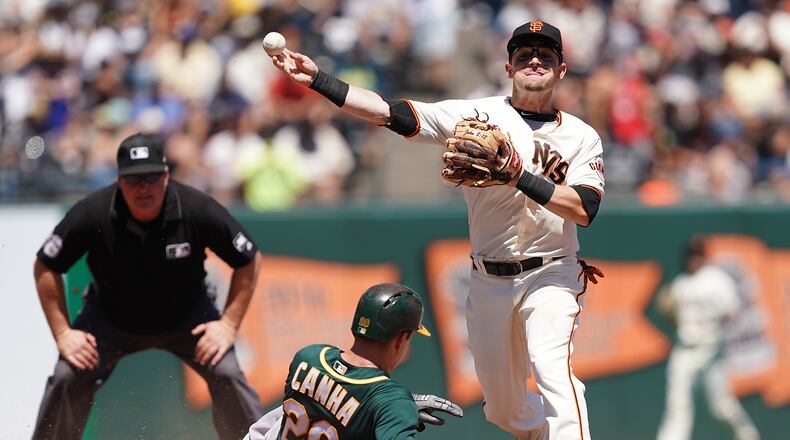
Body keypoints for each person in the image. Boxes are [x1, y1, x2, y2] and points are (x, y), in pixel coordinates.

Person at [266, 19, 605, 440]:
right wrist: (319, 80)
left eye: (546, 55)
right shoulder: (479, 114)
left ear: (561, 70)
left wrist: (519, 175)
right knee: (503, 410)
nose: (534, 60)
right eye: (523, 54)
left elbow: (585, 208)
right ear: (507, 68)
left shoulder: (581, 136)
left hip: (551, 272)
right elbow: (392, 113)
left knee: (554, 370)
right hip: (489, 279)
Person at [32, 133, 264, 439]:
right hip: (109, 318)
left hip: (188, 318)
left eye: (151, 178)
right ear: (119, 180)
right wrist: (63, 333)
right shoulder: (94, 211)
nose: (143, 188)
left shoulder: (195, 208)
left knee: (227, 373)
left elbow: (249, 259)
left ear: (166, 176)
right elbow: (46, 265)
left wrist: (228, 325)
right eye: (133, 179)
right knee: (67, 375)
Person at [244, 283, 463, 439]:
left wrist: (385, 411)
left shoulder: (308, 357)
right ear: (402, 339)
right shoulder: (391, 401)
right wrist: (393, 412)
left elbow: (333, 398)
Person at [655, 236, 760, 440]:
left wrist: (716, 326)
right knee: (678, 406)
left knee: (720, 406)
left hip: (712, 349)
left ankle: (747, 436)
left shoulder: (718, 281)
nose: (693, 260)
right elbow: (672, 318)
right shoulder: (681, 284)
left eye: (697, 256)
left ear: (704, 256)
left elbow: (734, 313)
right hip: (684, 350)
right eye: (690, 256)